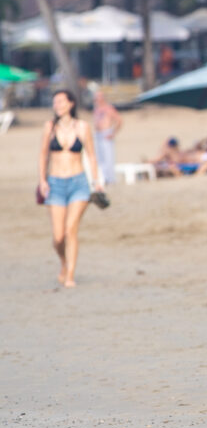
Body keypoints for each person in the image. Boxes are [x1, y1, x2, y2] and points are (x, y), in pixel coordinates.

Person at [38, 89, 104, 288]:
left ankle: (70, 276)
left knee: (70, 230)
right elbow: (43, 155)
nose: (56, 105)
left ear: (71, 103)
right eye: (54, 102)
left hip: (79, 183)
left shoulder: (82, 127)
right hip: (56, 183)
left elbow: (92, 155)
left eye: (60, 101)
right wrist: (42, 180)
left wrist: (96, 181)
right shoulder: (49, 127)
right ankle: (64, 262)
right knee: (58, 237)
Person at [91, 87, 122, 186]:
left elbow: (119, 120)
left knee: (108, 157)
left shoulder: (109, 108)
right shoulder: (96, 109)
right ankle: (102, 177)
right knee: (99, 158)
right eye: (96, 97)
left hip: (106, 134)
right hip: (98, 135)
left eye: (99, 97)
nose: (97, 99)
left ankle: (110, 178)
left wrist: (113, 133)